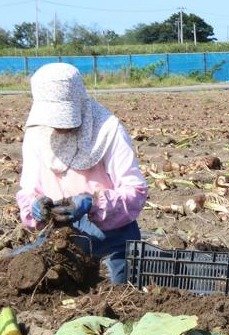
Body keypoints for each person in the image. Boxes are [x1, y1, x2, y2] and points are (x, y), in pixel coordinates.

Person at [16, 62, 148, 284]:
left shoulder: (107, 129)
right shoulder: (36, 134)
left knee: (118, 293)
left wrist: (93, 203)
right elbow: (29, 188)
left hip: (111, 237)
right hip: (60, 239)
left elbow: (135, 191)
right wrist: (35, 205)